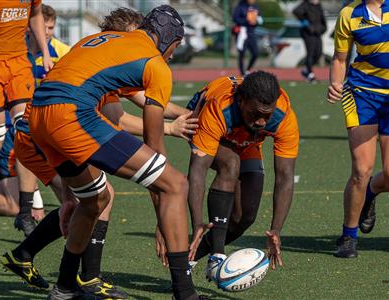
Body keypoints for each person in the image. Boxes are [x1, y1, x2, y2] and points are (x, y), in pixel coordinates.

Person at [26, 5, 204, 299]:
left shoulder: (103, 40)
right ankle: (185, 293)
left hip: (39, 116)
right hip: (71, 115)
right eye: (176, 45)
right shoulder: (155, 64)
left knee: (94, 200)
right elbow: (154, 142)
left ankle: (65, 287)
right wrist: (162, 218)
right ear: (169, 39)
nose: (173, 53)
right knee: (175, 183)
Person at [155, 71, 299, 285]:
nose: (261, 122)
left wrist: (276, 229)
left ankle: (188, 259)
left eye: (266, 116)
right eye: (256, 114)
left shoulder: (283, 115)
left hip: (246, 140)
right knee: (230, 165)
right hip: (205, 123)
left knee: (245, 216)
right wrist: (197, 224)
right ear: (241, 101)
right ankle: (217, 255)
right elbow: (197, 170)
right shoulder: (220, 106)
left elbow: (285, 177)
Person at [327, 0, 389, 258]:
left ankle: (369, 194)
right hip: (361, 94)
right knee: (361, 169)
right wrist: (335, 81)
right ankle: (348, 236)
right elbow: (339, 58)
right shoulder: (349, 14)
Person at [0, 0, 53, 222]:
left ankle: (25, 212)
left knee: (27, 133)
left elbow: (35, 14)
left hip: (18, 64)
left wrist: (44, 51)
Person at [293, 0, 326, 82]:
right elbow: (296, 11)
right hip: (308, 34)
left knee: (318, 53)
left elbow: (322, 19)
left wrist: (323, 28)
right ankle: (310, 75)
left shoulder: (318, 6)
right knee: (310, 53)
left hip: (318, 33)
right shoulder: (305, 4)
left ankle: (306, 70)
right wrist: (305, 23)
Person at [233, 0, 262, 76]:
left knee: (255, 53)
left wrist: (257, 21)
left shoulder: (256, 6)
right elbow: (235, 19)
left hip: (251, 32)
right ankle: (242, 73)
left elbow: (260, 18)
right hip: (242, 32)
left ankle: (247, 70)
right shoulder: (240, 6)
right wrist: (247, 20)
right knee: (242, 53)